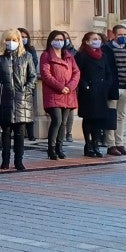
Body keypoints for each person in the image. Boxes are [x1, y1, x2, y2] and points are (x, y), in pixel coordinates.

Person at [0, 29, 38, 171]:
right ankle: (5, 160)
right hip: (5, 98)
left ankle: (19, 161)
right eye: (8, 40)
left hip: (22, 98)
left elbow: (32, 76)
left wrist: (26, 89)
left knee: (20, 132)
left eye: (14, 40)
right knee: (5, 132)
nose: (11, 43)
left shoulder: (27, 56)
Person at [75, 31, 117, 158]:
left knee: (98, 119)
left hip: (101, 92)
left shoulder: (103, 56)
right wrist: (85, 85)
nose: (97, 41)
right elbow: (77, 72)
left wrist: (106, 85)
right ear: (87, 41)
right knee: (88, 118)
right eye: (94, 39)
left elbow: (108, 73)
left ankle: (96, 144)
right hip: (88, 92)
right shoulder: (81, 55)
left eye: (98, 39)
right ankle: (88, 145)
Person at [39, 30, 80, 160]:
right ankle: (51, 148)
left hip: (68, 93)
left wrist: (69, 86)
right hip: (54, 93)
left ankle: (59, 147)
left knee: (64, 122)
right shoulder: (46, 55)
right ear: (51, 40)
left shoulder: (69, 56)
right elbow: (46, 75)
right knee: (57, 120)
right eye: (56, 39)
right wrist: (61, 87)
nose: (59, 42)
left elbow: (76, 72)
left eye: (61, 39)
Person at [104, 24, 126, 156]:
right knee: (111, 116)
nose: (122, 37)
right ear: (113, 35)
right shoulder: (107, 49)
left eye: (124, 35)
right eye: (120, 35)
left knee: (121, 116)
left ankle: (120, 144)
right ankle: (111, 144)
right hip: (113, 88)